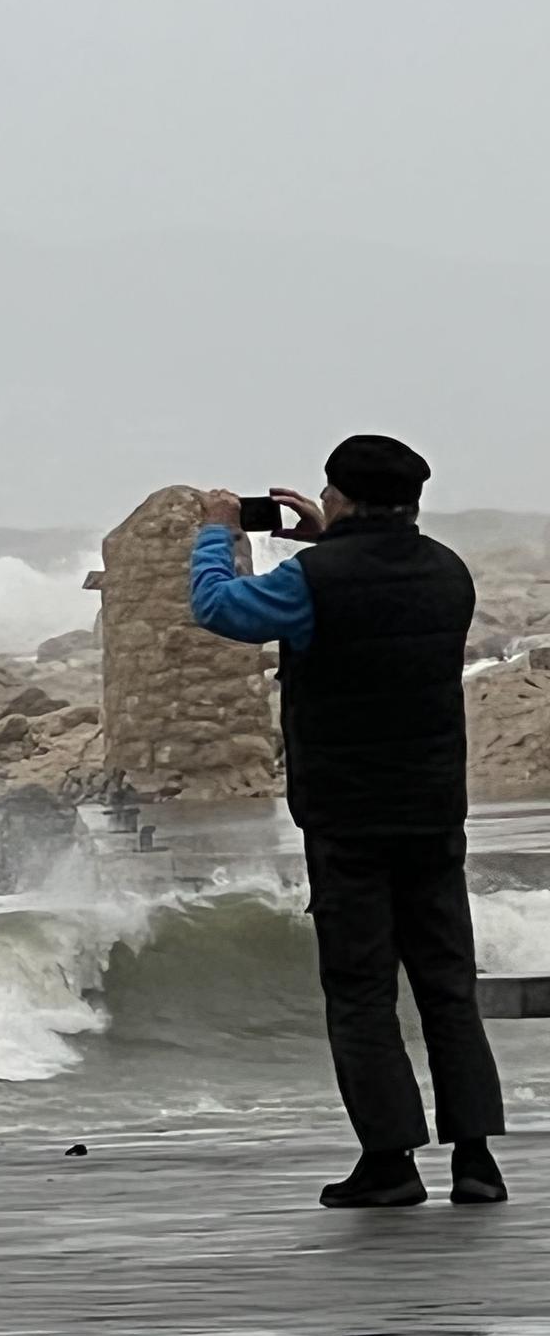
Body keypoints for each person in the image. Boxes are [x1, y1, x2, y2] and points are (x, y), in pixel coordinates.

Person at [191, 435, 507, 1209]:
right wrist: (333, 543)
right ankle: (476, 1160)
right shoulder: (448, 572)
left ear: (339, 499)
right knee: (447, 984)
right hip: (435, 808)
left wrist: (219, 531)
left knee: (362, 990)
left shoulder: (313, 580)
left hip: (347, 814)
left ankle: (391, 1163)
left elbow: (218, 607)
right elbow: (379, 593)